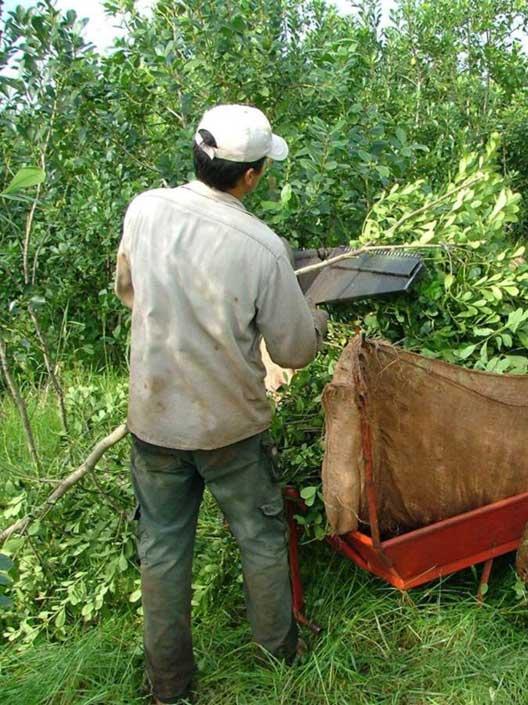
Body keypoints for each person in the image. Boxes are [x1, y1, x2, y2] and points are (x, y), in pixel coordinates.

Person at [115, 104, 327, 705]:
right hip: (230, 429)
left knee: (161, 549)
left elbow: (129, 291)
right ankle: (278, 656)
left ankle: (170, 686)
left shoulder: (144, 209)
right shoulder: (262, 247)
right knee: (259, 538)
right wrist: (315, 317)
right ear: (251, 175)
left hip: (154, 421)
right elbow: (294, 350)